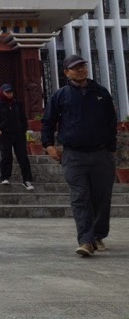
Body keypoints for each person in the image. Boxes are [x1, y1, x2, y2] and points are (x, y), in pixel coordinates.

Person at [41, 54, 117, 257]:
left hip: (101, 154)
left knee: (101, 198)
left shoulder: (101, 93)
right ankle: (85, 240)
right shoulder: (60, 96)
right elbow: (48, 121)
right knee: (80, 198)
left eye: (83, 66)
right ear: (67, 72)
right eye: (75, 68)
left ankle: (98, 233)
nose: (81, 70)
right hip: (74, 156)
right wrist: (48, 145)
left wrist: (111, 148)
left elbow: (111, 121)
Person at [0, 83, 34, 190]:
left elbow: (23, 118)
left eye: (11, 92)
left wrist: (23, 130)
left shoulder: (18, 104)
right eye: (7, 92)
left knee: (23, 157)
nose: (9, 94)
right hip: (4, 135)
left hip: (18, 135)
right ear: (2, 92)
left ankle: (27, 180)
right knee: (6, 156)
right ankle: (5, 177)